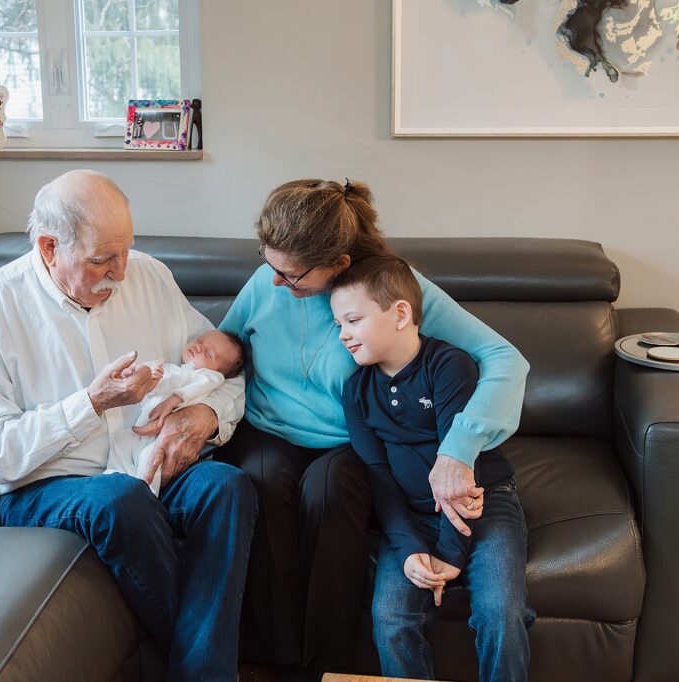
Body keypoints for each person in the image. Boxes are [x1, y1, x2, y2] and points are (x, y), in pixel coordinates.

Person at [0, 169, 257, 681]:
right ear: (49, 248)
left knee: (226, 486)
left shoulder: (150, 277)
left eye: (126, 250)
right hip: (48, 485)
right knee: (118, 500)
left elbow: (222, 372)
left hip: (145, 466)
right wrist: (88, 404)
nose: (121, 270)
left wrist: (204, 414)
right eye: (101, 259)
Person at [215, 179, 529, 678]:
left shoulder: (388, 293)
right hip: (266, 429)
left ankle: (325, 660)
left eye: (292, 276)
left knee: (331, 489)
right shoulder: (267, 278)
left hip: (345, 442)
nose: (276, 282)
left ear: (338, 263)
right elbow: (225, 348)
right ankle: (272, 658)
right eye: (268, 262)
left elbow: (503, 358)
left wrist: (458, 449)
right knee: (259, 480)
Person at [331, 255, 534, 681]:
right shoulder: (356, 390)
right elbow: (378, 475)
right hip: (408, 515)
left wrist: (448, 553)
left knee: (500, 611)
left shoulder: (449, 366)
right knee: (390, 618)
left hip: (483, 503)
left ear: (401, 313)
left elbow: (460, 474)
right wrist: (409, 549)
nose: (344, 336)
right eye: (338, 326)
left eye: (352, 321)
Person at [118, 329, 245, 495]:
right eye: (199, 341)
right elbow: (159, 385)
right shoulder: (177, 368)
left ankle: (145, 494)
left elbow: (196, 387)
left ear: (219, 371)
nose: (199, 348)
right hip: (144, 426)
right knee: (121, 444)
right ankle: (114, 476)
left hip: (164, 436)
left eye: (208, 354)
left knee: (150, 460)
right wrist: (151, 378)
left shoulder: (210, 376)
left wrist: (174, 399)